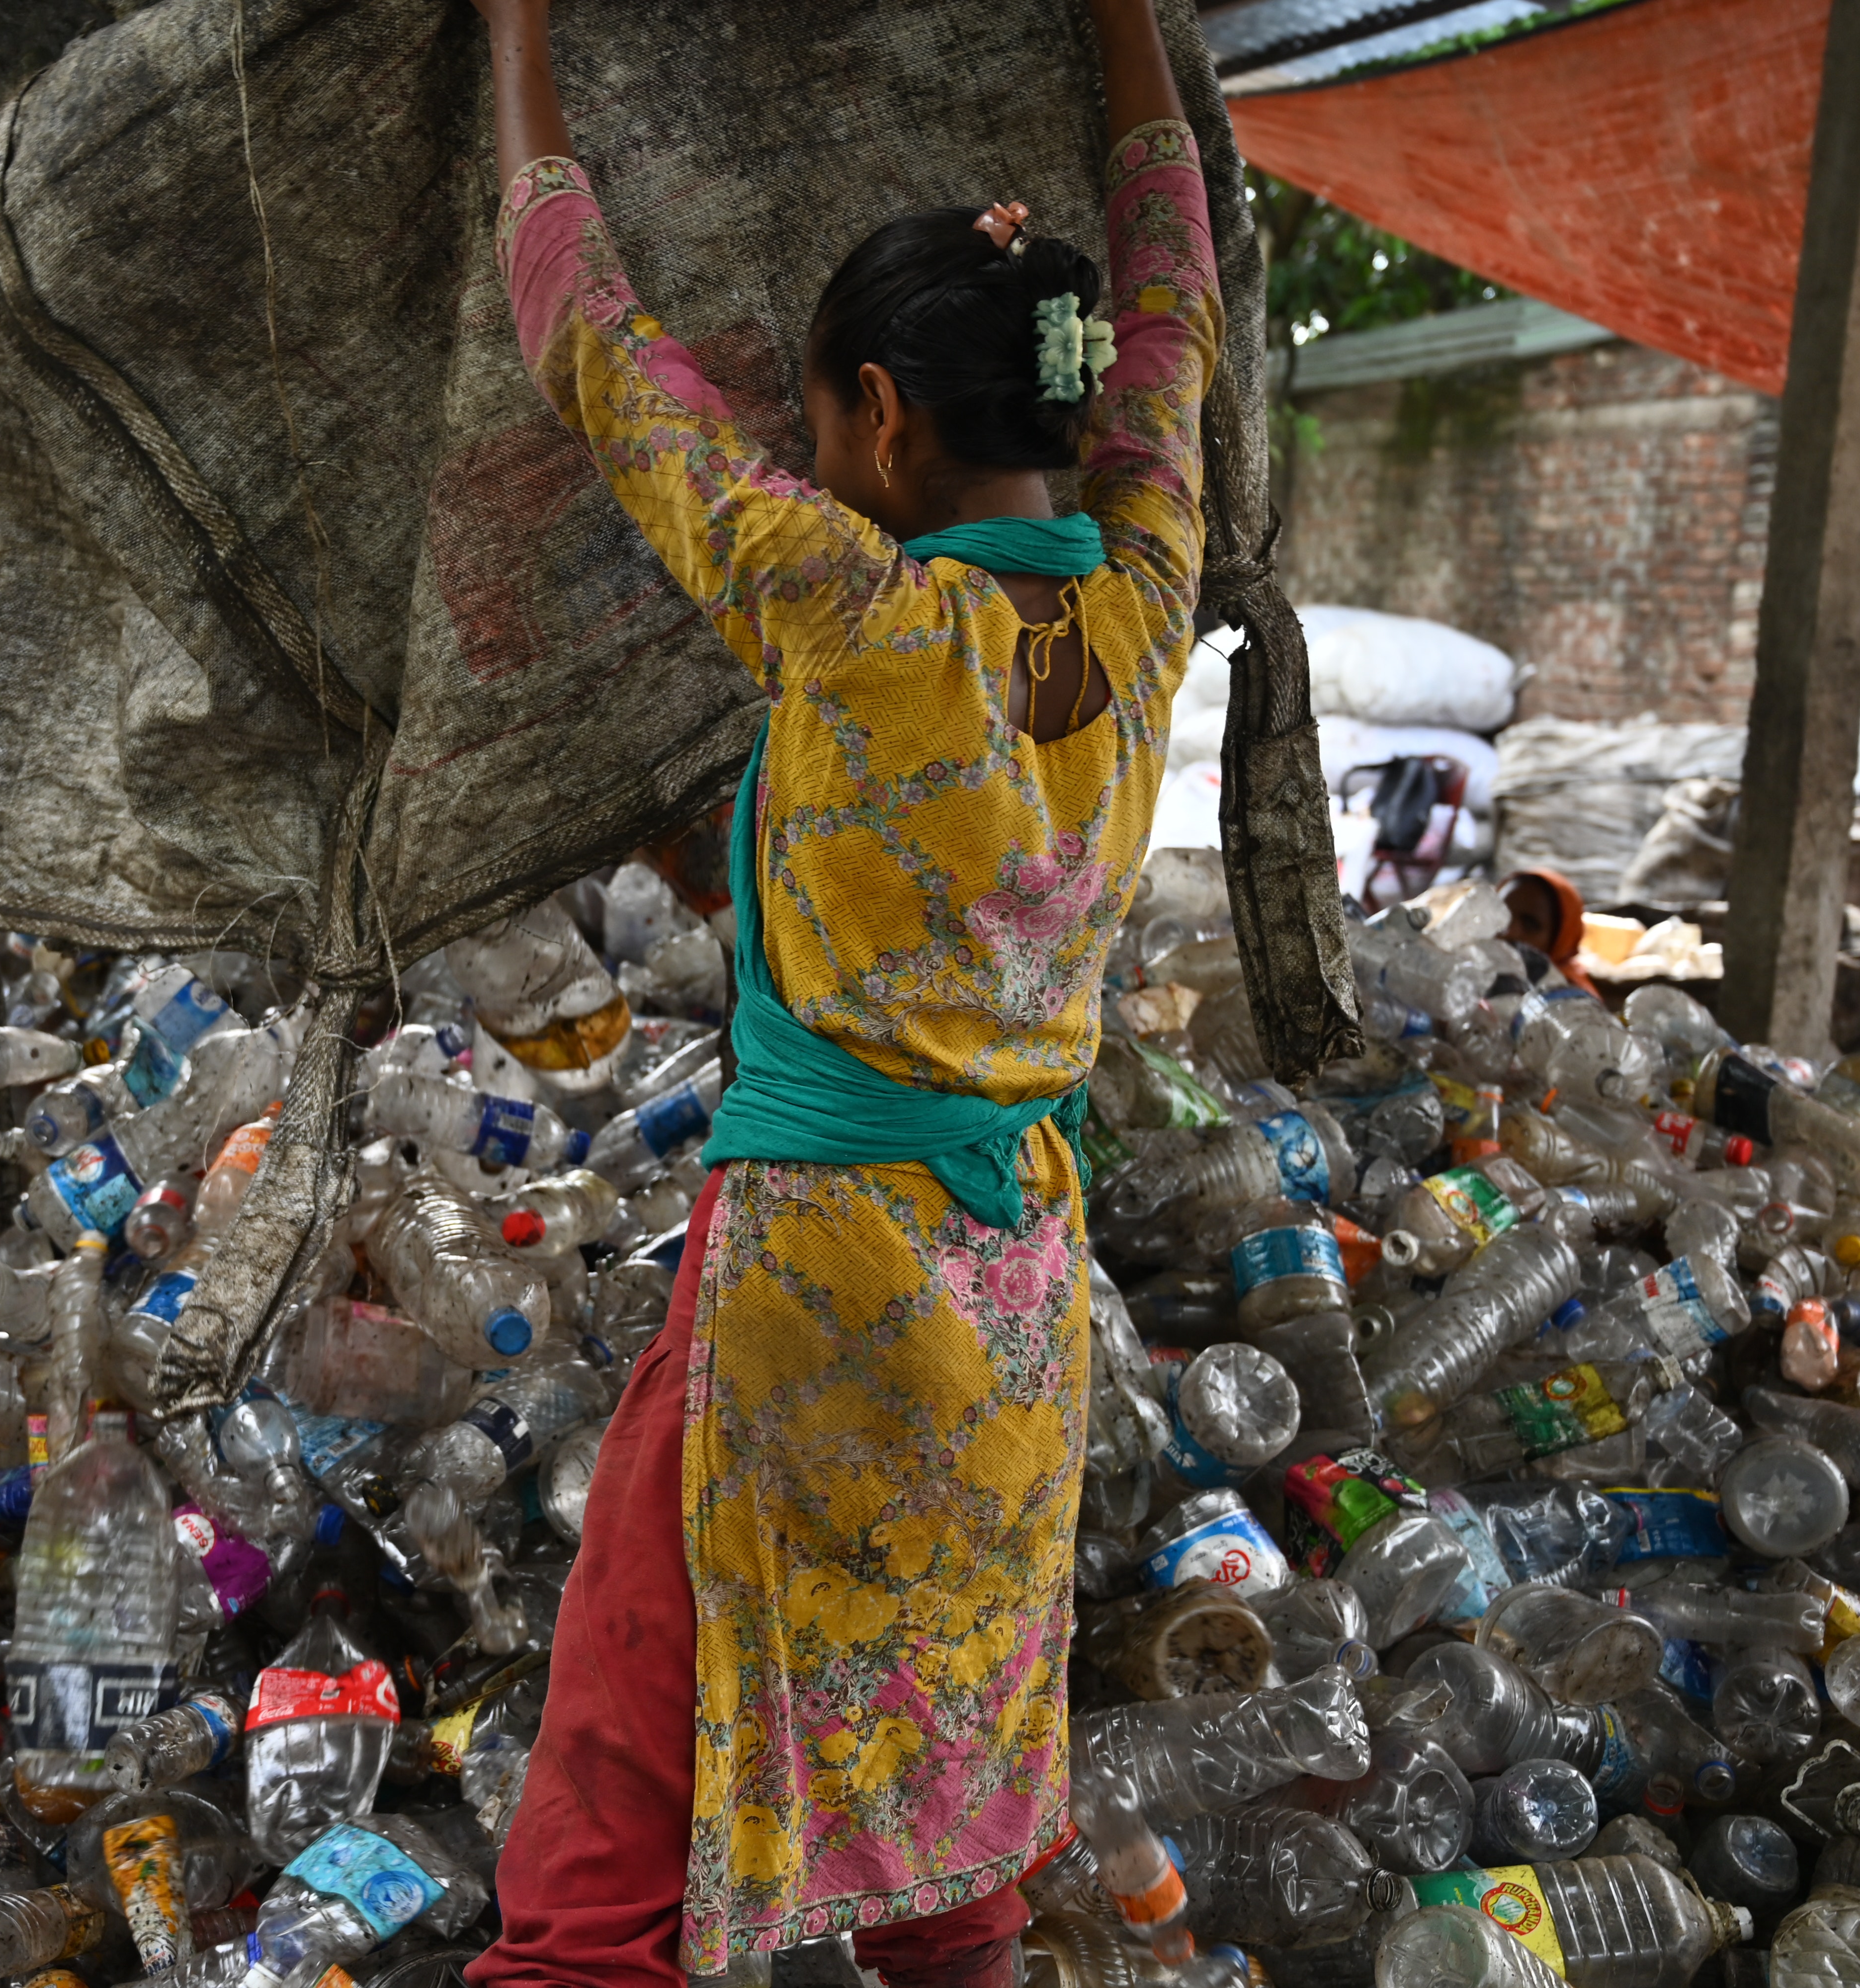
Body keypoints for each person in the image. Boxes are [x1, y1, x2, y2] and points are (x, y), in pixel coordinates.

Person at [459, 0, 1216, 1981]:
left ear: (882, 414)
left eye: (812, 418)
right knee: (946, 1701)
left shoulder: (836, 595)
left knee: (623, 1761)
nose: (796, 452)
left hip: (816, 1283)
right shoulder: (1147, 588)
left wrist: (515, 35)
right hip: (1017, 1293)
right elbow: (1177, 277)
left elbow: (583, 330)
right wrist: (1127, 20)